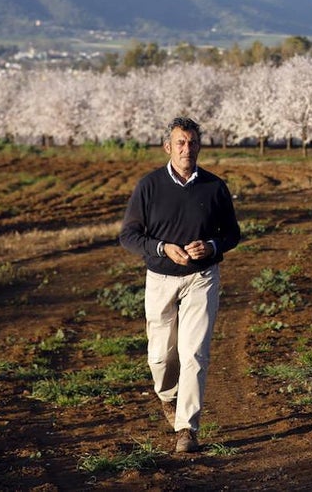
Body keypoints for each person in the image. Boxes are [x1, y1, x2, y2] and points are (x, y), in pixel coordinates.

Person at [119, 116, 241, 453]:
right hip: (160, 278)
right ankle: (168, 397)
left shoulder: (215, 187)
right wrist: (162, 248)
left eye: (192, 143)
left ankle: (187, 429)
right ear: (168, 147)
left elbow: (232, 233)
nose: (187, 149)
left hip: (202, 278)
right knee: (160, 357)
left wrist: (212, 247)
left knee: (194, 355)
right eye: (180, 143)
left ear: (199, 146)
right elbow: (129, 235)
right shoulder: (149, 186)